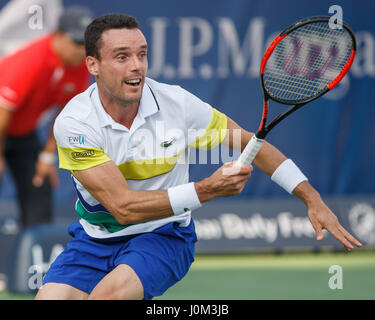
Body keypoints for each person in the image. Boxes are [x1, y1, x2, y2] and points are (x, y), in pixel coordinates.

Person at [35, 13, 362, 300]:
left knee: (111, 296)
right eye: (122, 57)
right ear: (93, 64)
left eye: (142, 54)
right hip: (95, 239)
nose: (136, 65)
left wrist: (311, 197)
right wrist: (208, 188)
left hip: (164, 234)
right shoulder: (75, 122)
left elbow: (251, 145)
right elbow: (122, 207)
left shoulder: (178, 105)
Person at [0, 6, 94, 228]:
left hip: (23, 133)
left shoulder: (80, 66)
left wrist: (47, 156)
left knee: (39, 184)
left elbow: (67, 113)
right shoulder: (32, 60)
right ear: (57, 36)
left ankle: (34, 249)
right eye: (76, 42)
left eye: (86, 45)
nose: (81, 50)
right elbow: (2, 112)